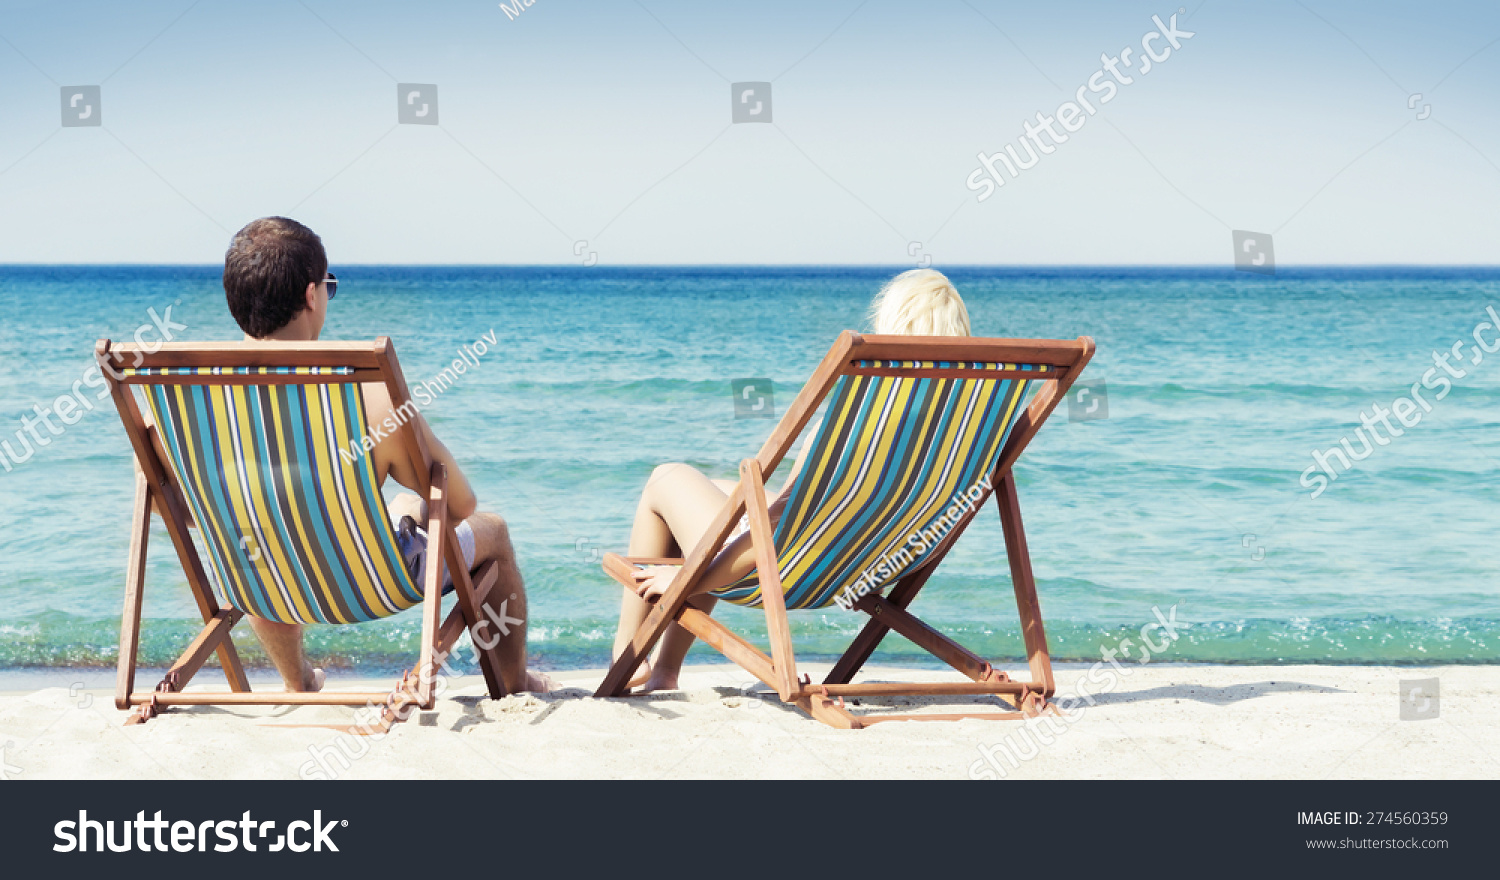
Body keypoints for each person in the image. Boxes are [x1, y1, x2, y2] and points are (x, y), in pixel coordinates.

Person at [149, 217, 551, 694]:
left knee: (255, 537)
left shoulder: (177, 406)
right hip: (374, 585)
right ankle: (514, 683)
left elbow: (171, 511)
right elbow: (461, 506)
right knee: (494, 532)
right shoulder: (369, 395)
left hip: (256, 580)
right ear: (310, 296)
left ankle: (297, 683)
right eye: (328, 287)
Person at [611, 268, 973, 692]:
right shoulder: (968, 426)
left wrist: (686, 577)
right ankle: (664, 672)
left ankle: (626, 655)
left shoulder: (860, 417)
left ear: (889, 327)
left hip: (785, 566)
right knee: (727, 494)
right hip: (860, 567)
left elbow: (781, 523)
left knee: (665, 480)